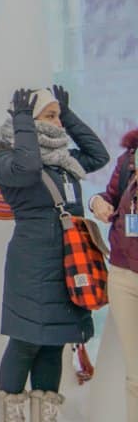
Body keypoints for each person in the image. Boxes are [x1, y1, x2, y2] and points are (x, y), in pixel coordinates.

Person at [0, 86, 109, 422]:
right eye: (50, 116)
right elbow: (27, 169)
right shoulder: (5, 159)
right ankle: (13, 414)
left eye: (58, 117)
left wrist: (66, 112)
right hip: (32, 265)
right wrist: (23, 121)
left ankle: (45, 414)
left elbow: (98, 155)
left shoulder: (64, 161)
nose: (59, 125)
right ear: (29, 120)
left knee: (54, 341)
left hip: (67, 263)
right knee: (25, 341)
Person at [89, 126, 138, 421]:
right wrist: (97, 203)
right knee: (136, 375)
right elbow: (109, 196)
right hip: (123, 277)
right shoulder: (129, 160)